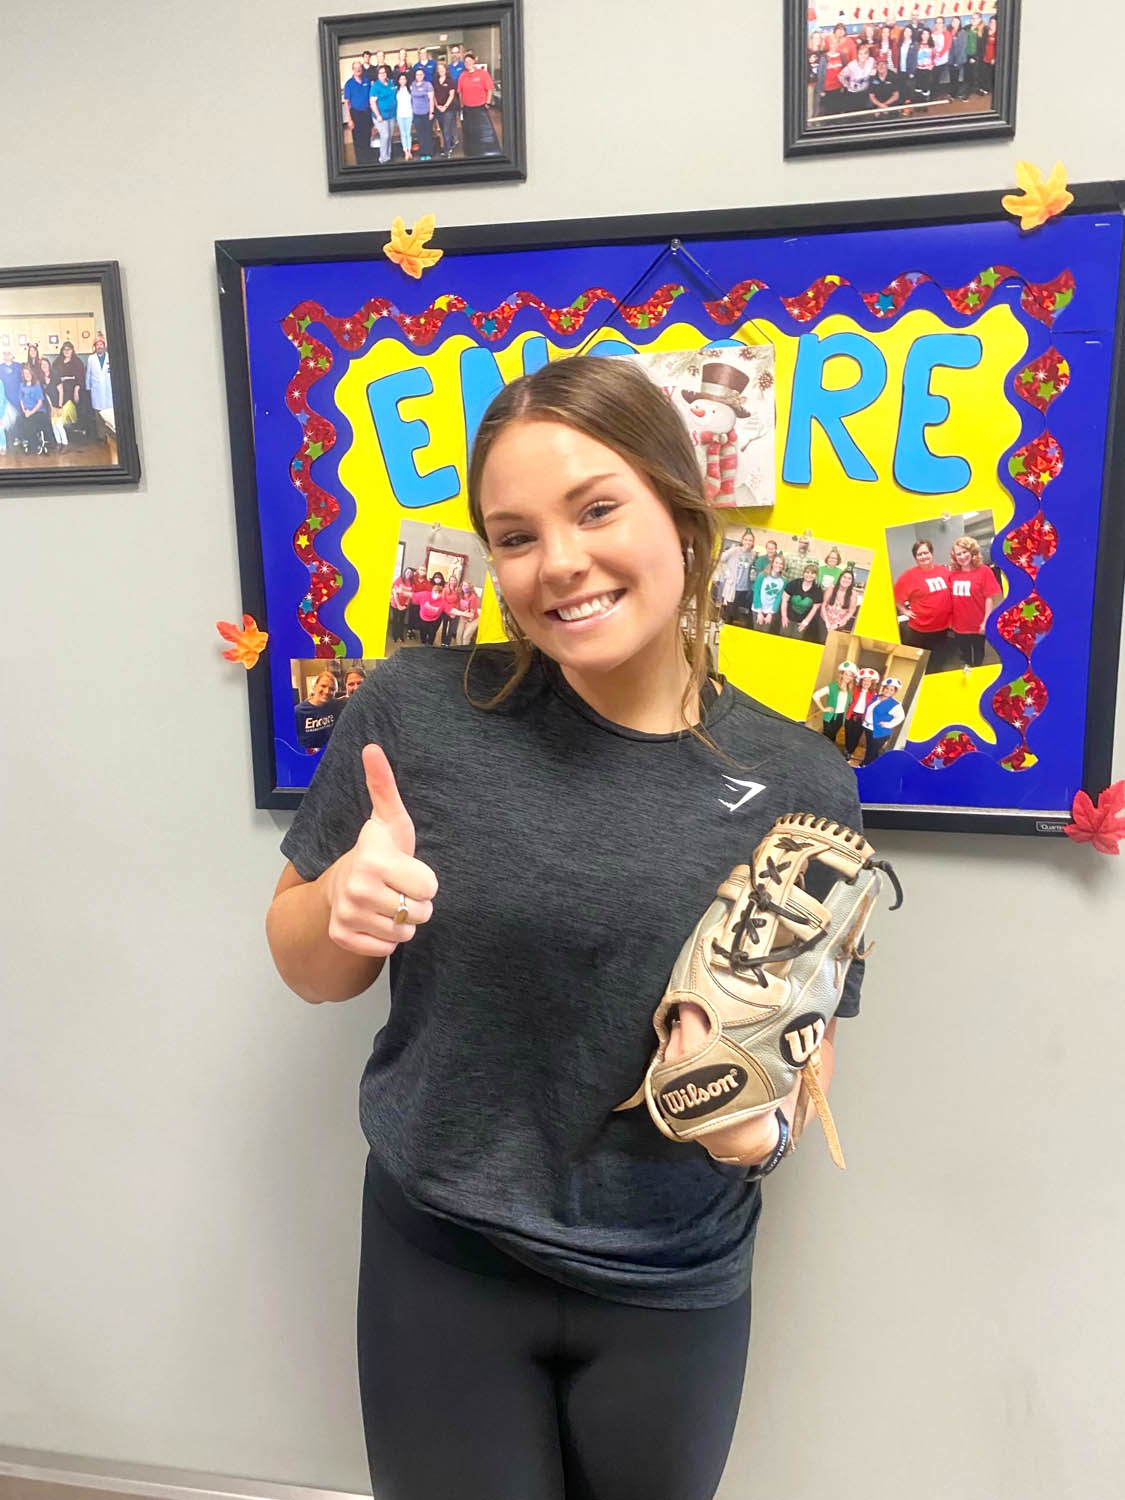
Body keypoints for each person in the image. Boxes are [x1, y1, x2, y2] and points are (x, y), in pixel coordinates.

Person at [265, 354, 865, 1500]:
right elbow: (306, 969)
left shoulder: (802, 779)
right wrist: (342, 909)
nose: (560, 563)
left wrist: (756, 1131)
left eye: (596, 510)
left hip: (671, 1285)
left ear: (682, 514)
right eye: (516, 535)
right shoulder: (415, 712)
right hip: (440, 1261)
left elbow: (810, 1053)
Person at [894, 537, 951, 669]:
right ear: (915, 558)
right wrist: (904, 611)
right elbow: (897, 598)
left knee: (939, 660)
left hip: (943, 627)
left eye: (926, 552)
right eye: (920, 554)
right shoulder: (908, 577)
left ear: (931, 553)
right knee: (922, 663)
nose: (924, 556)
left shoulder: (944, 571)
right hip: (921, 630)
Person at [949, 535, 1001, 668]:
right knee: (964, 656)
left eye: (965, 552)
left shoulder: (984, 571)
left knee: (978, 654)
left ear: (972, 552)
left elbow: (989, 598)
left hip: (978, 624)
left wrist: (986, 621)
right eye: (958, 554)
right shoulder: (952, 574)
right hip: (959, 626)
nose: (962, 556)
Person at [457, 50, 499, 156]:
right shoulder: (462, 75)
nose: (468, 63)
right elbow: (460, 92)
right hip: (467, 108)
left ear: (474, 61)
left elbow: (489, 89)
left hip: (480, 108)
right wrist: (462, 105)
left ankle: (487, 152)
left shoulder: (483, 74)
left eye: (469, 61)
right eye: (466, 62)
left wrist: (487, 103)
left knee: (483, 131)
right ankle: (472, 152)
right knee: (470, 131)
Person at [294, 670, 343, 754]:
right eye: (323, 686)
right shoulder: (298, 712)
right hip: (308, 757)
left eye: (332, 689)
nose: (327, 691)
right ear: (315, 687)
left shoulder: (336, 706)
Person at [714, 528, 756, 625]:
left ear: (753, 542)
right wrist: (727, 573)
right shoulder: (734, 551)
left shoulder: (753, 554)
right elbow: (720, 560)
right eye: (746, 539)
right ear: (742, 540)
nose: (748, 542)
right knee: (728, 608)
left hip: (744, 588)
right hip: (732, 586)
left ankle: (730, 624)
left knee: (736, 610)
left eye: (750, 540)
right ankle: (723, 624)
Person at [813, 660, 858, 747]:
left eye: (850, 675)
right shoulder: (833, 686)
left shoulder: (849, 689)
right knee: (826, 738)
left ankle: (828, 753)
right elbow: (816, 695)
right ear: (841, 674)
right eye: (846, 674)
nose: (848, 677)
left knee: (833, 737)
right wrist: (823, 708)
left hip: (841, 717)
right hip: (830, 717)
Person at [861, 677, 905, 765]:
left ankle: (865, 766)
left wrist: (888, 724)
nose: (888, 691)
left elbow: (900, 717)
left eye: (891, 690)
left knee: (872, 751)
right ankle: (868, 765)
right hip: (869, 728)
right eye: (887, 688)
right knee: (869, 749)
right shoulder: (875, 697)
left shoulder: (895, 704)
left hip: (881, 732)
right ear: (883, 688)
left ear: (894, 692)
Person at [844, 666, 881, 764]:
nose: (866, 682)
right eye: (864, 680)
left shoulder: (874, 694)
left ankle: (850, 752)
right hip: (851, 716)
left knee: (856, 736)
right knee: (848, 734)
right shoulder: (855, 689)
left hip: (862, 718)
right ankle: (847, 749)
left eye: (869, 681)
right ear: (861, 681)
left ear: (871, 683)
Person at [780, 563, 823, 642]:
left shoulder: (818, 590)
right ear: (803, 573)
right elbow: (784, 600)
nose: (809, 575)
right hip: (788, 618)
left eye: (812, 573)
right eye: (807, 572)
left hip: (802, 621)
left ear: (816, 575)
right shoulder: (794, 583)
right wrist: (784, 616)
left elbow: (814, 609)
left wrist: (805, 622)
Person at [343, 59, 374, 165]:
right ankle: (361, 163)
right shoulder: (349, 84)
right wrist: (349, 119)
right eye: (355, 68)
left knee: (367, 137)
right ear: (353, 70)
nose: (358, 70)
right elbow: (347, 102)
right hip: (355, 114)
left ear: (361, 69)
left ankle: (369, 162)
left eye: (359, 67)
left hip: (366, 113)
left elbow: (371, 98)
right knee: (358, 140)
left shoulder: (367, 81)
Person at [16, 365, 51, 456]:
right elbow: (21, 399)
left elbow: (40, 402)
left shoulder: (37, 385)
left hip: (38, 411)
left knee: (30, 423)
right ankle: (25, 442)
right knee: (18, 421)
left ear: (32, 374)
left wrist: (31, 412)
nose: (27, 375)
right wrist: (24, 411)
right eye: (25, 373)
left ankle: (35, 445)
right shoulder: (21, 385)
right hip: (27, 411)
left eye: (28, 373)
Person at [370, 64, 398, 163]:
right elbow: (372, 102)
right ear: (377, 75)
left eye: (384, 72)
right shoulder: (375, 86)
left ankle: (388, 156)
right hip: (381, 116)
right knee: (385, 136)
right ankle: (382, 158)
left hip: (391, 115)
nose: (383, 74)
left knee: (389, 136)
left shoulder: (391, 83)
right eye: (380, 73)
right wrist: (378, 115)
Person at [752, 551, 786, 632]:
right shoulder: (762, 576)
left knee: (765, 633)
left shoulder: (783, 580)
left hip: (770, 612)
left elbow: (778, 598)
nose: (778, 565)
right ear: (772, 563)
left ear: (783, 566)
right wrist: (759, 612)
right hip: (758, 609)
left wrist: (771, 613)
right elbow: (756, 593)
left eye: (781, 564)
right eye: (776, 562)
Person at [38, 356, 68, 448]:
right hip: (50, 405)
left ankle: (65, 444)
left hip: (59, 403)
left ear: (49, 365)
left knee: (59, 425)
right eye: (42, 365)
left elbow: (61, 391)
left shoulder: (55, 375)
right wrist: (51, 407)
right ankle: (58, 443)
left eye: (45, 364)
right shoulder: (42, 379)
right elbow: (46, 394)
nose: (44, 366)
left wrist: (59, 406)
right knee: (53, 425)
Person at [820, 568, 859, 636]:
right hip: (824, 622)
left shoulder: (853, 594)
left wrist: (837, 624)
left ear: (852, 581)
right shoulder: (830, 589)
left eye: (849, 578)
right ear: (840, 578)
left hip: (839, 626)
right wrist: (827, 622)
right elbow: (823, 605)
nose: (846, 580)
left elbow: (851, 611)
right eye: (844, 577)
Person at [432, 59, 459, 157]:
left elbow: (451, 95)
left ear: (446, 70)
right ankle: (449, 144)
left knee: (447, 129)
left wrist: (445, 106)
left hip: (448, 109)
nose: (441, 70)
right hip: (438, 109)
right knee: (443, 130)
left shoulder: (450, 81)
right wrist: (437, 105)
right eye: (439, 69)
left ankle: (447, 150)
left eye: (442, 68)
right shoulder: (435, 81)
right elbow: (433, 95)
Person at [409, 65, 436, 161]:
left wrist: (431, 112)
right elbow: (411, 99)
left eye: (421, 74)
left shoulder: (428, 85)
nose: (419, 76)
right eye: (417, 74)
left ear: (424, 75)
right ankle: (422, 153)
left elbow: (431, 99)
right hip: (416, 114)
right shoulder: (412, 85)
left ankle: (428, 153)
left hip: (426, 113)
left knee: (427, 134)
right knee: (420, 135)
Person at [839, 42, 875, 111]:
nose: (863, 56)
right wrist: (847, 85)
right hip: (853, 94)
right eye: (860, 54)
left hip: (865, 92)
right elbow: (841, 76)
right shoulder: (852, 65)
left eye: (865, 53)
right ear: (857, 54)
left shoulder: (871, 61)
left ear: (868, 54)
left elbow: (874, 69)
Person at [85, 332, 113, 421]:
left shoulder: (110, 357)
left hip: (109, 389)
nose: (99, 346)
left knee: (110, 416)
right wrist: (88, 387)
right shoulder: (91, 358)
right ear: (95, 347)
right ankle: (100, 430)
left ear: (104, 346)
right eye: (97, 345)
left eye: (101, 344)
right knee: (99, 415)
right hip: (96, 390)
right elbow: (88, 374)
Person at [415, 572, 446, 644]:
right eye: (436, 577)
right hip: (426, 609)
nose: (437, 579)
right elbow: (423, 595)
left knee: (433, 630)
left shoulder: (445, 587)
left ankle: (430, 642)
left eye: (439, 577)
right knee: (423, 628)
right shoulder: (429, 585)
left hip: (438, 611)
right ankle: (423, 640)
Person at [389, 568, 414, 643]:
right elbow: (394, 593)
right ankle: (394, 635)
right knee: (395, 620)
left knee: (401, 620)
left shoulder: (412, 583)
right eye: (407, 572)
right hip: (395, 604)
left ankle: (400, 635)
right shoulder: (399, 580)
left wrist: (405, 605)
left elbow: (410, 595)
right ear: (404, 572)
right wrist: (398, 605)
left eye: (410, 573)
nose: (409, 574)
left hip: (404, 605)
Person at [913, 28, 935, 105]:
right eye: (924, 34)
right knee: (918, 86)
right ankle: (918, 101)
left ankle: (925, 102)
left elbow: (934, 56)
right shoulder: (917, 44)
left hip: (928, 69)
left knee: (926, 86)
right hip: (918, 69)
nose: (925, 36)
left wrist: (932, 65)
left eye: (927, 34)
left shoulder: (932, 45)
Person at [395, 72, 414, 159]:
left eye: (404, 79)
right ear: (398, 81)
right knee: (403, 133)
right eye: (401, 79)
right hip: (400, 114)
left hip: (409, 113)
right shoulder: (396, 90)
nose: (402, 81)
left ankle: (409, 150)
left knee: (408, 133)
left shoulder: (410, 89)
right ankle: (405, 151)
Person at [948, 17, 968, 100]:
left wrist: (957, 61)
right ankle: (952, 92)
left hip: (958, 59)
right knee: (951, 76)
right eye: (953, 21)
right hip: (950, 59)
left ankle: (955, 94)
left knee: (956, 77)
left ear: (959, 23)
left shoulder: (963, 33)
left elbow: (963, 48)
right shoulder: (949, 32)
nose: (954, 23)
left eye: (956, 21)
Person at [439, 575, 461, 644]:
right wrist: (449, 612)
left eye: (454, 580)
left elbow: (458, 601)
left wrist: (455, 611)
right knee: (444, 627)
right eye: (451, 580)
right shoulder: (445, 590)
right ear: (449, 581)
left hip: (454, 612)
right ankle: (443, 642)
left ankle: (447, 643)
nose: (453, 582)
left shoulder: (458, 590)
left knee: (451, 629)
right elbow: (443, 601)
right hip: (446, 611)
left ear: (456, 581)